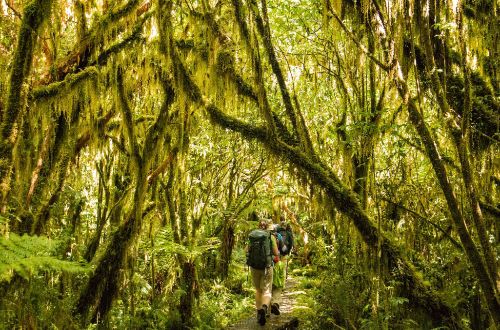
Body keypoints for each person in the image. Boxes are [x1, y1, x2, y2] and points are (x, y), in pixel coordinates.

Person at [247, 218, 280, 326]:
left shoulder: (252, 236)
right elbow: (276, 253)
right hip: (267, 267)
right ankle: (265, 308)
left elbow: (246, 250)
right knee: (267, 290)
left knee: (258, 290)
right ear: (267, 227)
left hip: (254, 267)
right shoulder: (270, 236)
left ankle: (259, 311)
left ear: (258, 226)